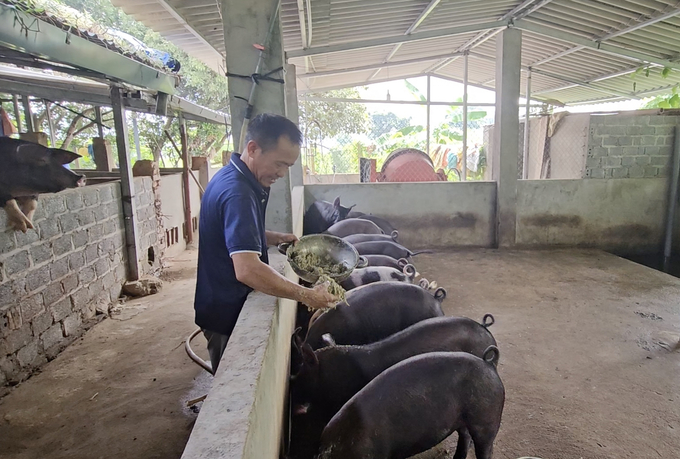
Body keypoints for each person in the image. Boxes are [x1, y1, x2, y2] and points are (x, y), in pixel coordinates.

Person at [194, 113, 339, 373]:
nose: (282, 174)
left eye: (288, 167)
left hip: (222, 300)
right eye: (279, 164)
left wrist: (272, 237)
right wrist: (306, 295)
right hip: (227, 311)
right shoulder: (238, 192)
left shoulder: (235, 177)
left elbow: (234, 233)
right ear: (253, 148)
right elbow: (247, 269)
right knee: (233, 383)